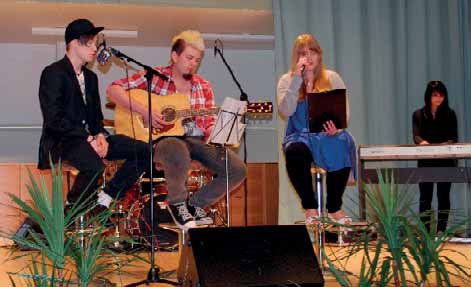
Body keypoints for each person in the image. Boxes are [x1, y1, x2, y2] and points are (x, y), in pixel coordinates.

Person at [107, 30, 247, 230]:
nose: (193, 64)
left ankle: (195, 204)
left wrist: (218, 133)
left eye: (197, 60)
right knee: (176, 145)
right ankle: (177, 203)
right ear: (175, 56)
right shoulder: (154, 77)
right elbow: (113, 90)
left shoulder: (203, 86)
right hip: (164, 141)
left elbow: (207, 124)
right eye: (189, 58)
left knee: (237, 169)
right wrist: (145, 111)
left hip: (195, 141)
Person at [38, 19, 149, 211]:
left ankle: (107, 195)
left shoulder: (91, 78)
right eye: (89, 43)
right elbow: (54, 119)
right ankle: (72, 208)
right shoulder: (53, 73)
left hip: (90, 140)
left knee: (145, 151)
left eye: (95, 44)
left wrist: (100, 136)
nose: (95, 48)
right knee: (95, 166)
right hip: (63, 141)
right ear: (73, 44)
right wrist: (89, 138)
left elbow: (96, 116)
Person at [277, 34, 356, 225]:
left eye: (313, 52)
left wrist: (336, 127)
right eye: (303, 53)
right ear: (296, 59)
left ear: (319, 55)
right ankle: (310, 208)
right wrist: (297, 80)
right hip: (300, 134)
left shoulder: (332, 77)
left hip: (326, 134)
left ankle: (334, 207)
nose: (309, 57)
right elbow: (285, 110)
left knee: (342, 142)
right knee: (295, 152)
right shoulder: (287, 80)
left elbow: (344, 111)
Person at [412, 80, 458, 234]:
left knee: (443, 196)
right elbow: (416, 136)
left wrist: (445, 144)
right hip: (426, 161)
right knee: (425, 196)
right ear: (428, 96)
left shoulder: (450, 114)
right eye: (435, 95)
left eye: (441, 95)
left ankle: (441, 231)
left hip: (446, 161)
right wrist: (424, 143)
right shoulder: (418, 114)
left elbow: (454, 138)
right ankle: (425, 231)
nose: (438, 98)